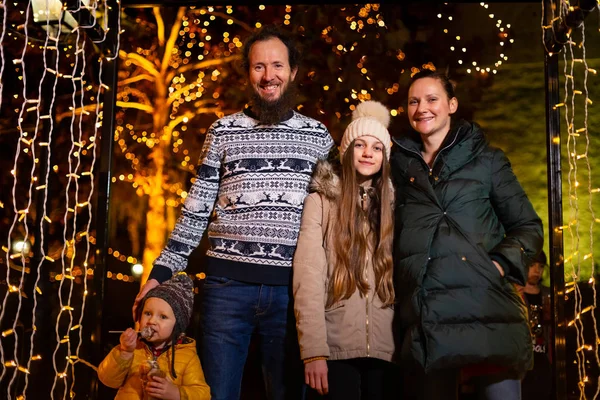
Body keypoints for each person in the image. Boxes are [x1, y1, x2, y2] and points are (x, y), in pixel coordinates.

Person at [133, 24, 333, 400]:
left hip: (292, 293)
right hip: (226, 291)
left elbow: (332, 220)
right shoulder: (222, 131)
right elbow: (196, 209)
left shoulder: (317, 137)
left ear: (292, 72)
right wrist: (161, 271)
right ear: (248, 74)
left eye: (277, 65)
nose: (268, 75)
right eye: (259, 67)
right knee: (215, 394)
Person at [390, 69, 543, 400]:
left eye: (432, 99)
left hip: (487, 311)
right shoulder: (399, 167)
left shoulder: (486, 161)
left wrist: (498, 266)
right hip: (426, 319)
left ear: (452, 105)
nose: (422, 108)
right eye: (413, 101)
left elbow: (528, 226)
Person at [293, 100, 399, 399]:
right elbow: (308, 277)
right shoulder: (321, 202)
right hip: (336, 347)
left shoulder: (395, 206)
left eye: (377, 147)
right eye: (360, 144)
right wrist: (313, 351)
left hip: (386, 348)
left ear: (385, 157)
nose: (368, 153)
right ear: (346, 149)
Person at [98, 273, 210, 399]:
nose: (151, 321)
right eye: (147, 313)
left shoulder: (188, 356)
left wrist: (177, 394)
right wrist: (125, 352)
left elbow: (203, 394)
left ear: (177, 325)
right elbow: (107, 379)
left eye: (163, 317)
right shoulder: (133, 348)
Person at [520, 251, 552, 400]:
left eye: (541, 266)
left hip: (545, 359)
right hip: (523, 360)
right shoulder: (516, 294)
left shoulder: (548, 294)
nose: (537, 271)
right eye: (532, 265)